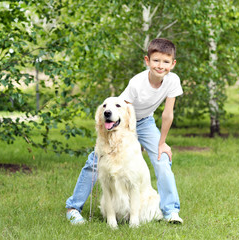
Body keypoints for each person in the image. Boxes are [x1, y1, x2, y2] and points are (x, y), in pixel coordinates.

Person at [66, 38, 184, 225]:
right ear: (147, 61)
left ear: (173, 64)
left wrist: (162, 143)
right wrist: (121, 141)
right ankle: (73, 208)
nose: (160, 66)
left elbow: (168, 115)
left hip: (145, 122)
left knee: (162, 158)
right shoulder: (137, 82)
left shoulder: (173, 81)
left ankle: (171, 211)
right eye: (156, 60)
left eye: (165, 61)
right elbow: (122, 112)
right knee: (97, 160)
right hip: (121, 120)